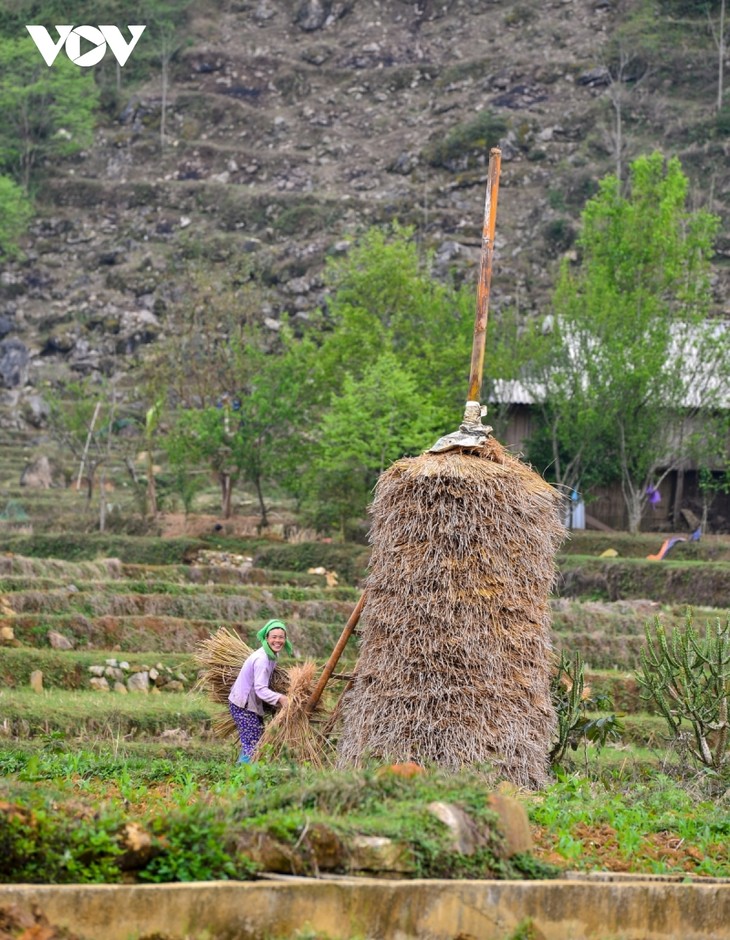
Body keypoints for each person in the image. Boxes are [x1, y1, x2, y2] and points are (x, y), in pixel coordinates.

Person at [228, 619, 291, 763]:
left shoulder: (272, 654)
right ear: (267, 638)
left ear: (285, 639)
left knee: (255, 739)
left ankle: (240, 774)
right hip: (242, 705)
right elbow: (261, 689)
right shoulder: (262, 659)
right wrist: (281, 698)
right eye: (274, 637)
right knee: (253, 743)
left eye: (281, 637)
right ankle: (243, 776)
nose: (278, 640)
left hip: (249, 703)